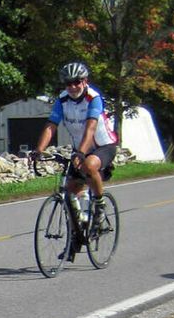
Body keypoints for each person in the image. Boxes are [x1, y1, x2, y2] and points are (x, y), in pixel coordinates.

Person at [33, 61, 119, 226]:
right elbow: (51, 126)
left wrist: (80, 153)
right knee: (70, 189)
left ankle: (100, 205)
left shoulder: (93, 98)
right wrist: (39, 150)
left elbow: (90, 129)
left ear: (85, 81)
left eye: (76, 82)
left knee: (88, 165)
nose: (72, 87)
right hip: (80, 147)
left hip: (103, 146)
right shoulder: (62, 100)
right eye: (68, 83)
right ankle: (77, 231)